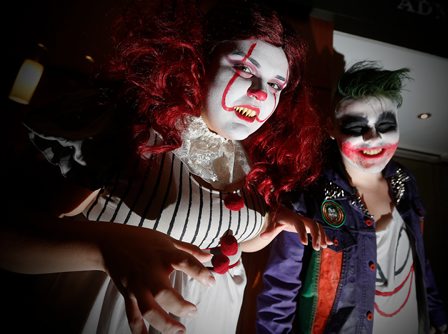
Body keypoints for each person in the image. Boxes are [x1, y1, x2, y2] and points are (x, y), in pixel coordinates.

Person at [0, 1, 329, 333]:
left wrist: (270, 224)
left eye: (276, 85)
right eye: (245, 68)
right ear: (197, 59)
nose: (261, 94)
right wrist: (103, 246)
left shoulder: (246, 155)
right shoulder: (129, 130)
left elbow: (216, 238)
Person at [255, 61, 448, 333]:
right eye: (356, 126)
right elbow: (279, 291)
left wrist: (439, 319)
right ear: (331, 128)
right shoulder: (309, 194)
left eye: (385, 124)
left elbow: (420, 263)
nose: (373, 137)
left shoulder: (405, 182)